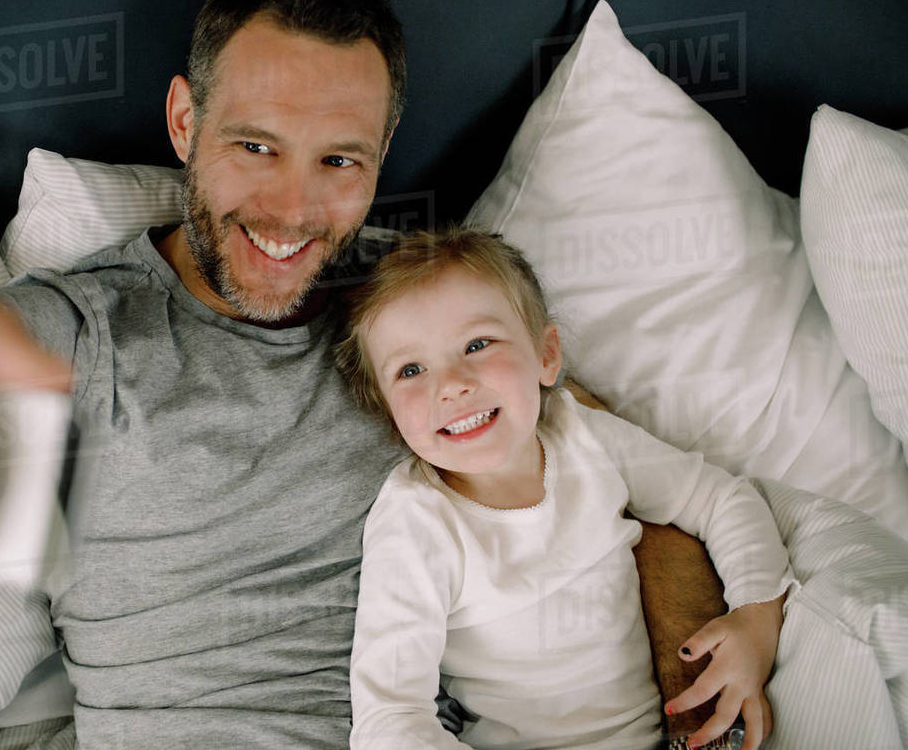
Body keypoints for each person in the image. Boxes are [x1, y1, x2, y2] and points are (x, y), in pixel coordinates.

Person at [0, 0, 730, 747]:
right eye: (255, 146)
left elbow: (629, 480)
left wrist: (696, 711)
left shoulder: (423, 314)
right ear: (183, 121)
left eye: (339, 160)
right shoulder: (86, 334)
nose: (292, 209)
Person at [335, 228, 791, 750]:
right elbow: (390, 714)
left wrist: (757, 615)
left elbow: (719, 498)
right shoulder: (416, 519)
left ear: (546, 356)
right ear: (389, 413)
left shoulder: (583, 437)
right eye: (411, 369)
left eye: (477, 344)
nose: (452, 384)